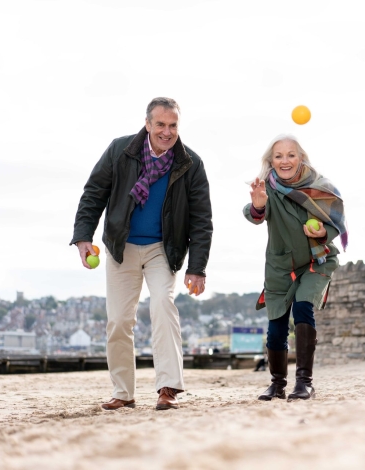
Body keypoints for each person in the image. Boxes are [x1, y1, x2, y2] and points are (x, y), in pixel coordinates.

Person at [71, 97, 213, 411]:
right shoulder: (120, 151)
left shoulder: (190, 163)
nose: (167, 131)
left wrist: (197, 268)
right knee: (119, 320)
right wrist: (83, 237)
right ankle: (123, 392)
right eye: (160, 124)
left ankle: (168, 388)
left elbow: (202, 220)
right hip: (121, 247)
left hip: (165, 249)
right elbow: (94, 194)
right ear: (147, 124)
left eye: (173, 125)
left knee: (163, 303)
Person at [244, 135, 347, 401]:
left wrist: (323, 230)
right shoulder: (267, 188)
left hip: (317, 260)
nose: (285, 160)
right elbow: (255, 214)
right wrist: (258, 205)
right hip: (279, 266)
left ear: (300, 158)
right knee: (276, 325)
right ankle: (277, 384)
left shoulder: (318, 186)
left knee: (303, 307)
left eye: (291, 154)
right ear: (271, 161)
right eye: (279, 156)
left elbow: (334, 218)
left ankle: (305, 383)